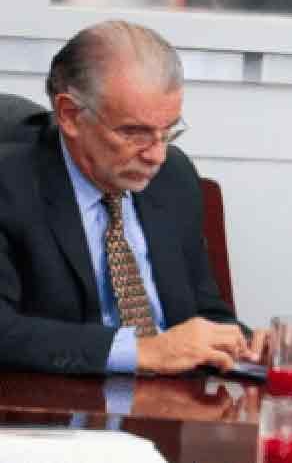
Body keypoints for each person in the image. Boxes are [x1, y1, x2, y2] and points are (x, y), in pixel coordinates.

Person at [0, 20, 266, 375]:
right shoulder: (11, 185)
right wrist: (140, 351)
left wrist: (248, 346)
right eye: (134, 133)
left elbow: (202, 311)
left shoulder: (174, 177)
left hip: (173, 399)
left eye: (168, 131)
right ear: (70, 115)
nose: (157, 155)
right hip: (63, 402)